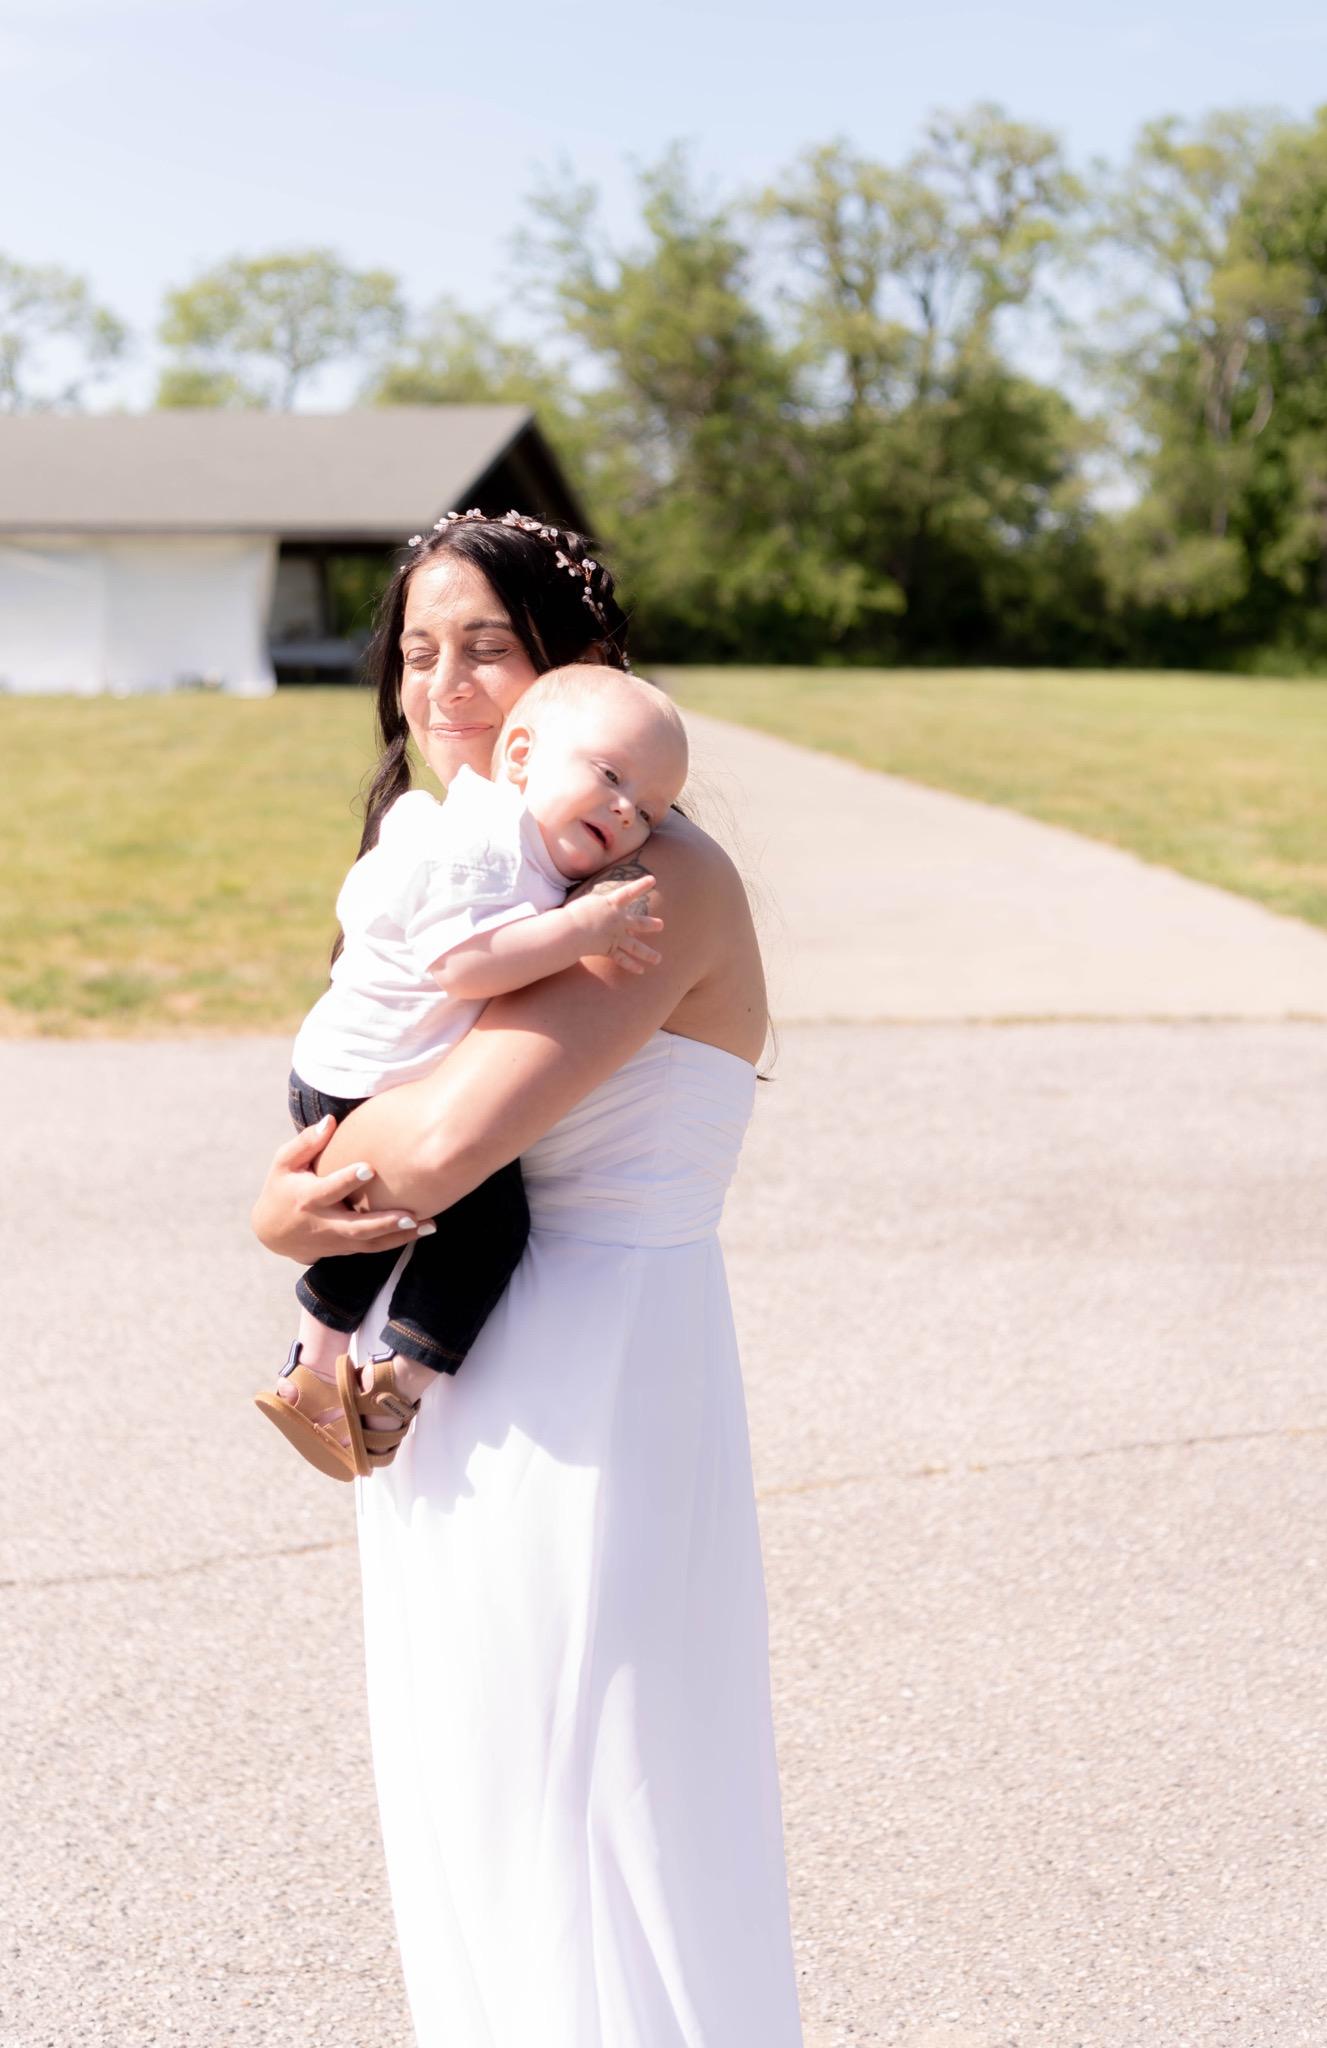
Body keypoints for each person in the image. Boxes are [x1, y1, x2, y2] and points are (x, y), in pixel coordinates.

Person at [251, 509, 804, 2046]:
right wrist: (297, 1203)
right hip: (465, 1380)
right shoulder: (477, 882)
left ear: (579, 674)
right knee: (483, 1811)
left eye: (485, 648)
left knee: (591, 1805)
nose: (441, 688)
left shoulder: (659, 887)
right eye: (417, 654)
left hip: (591, 1388)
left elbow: (424, 1161)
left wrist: (281, 1210)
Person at [254, 662, 686, 1484]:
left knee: (398, 1221)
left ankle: (316, 1363)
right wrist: (581, 930)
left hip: (365, 1071)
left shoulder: (525, 845)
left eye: (650, 809)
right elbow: (463, 964)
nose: (628, 809)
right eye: (608, 777)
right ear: (520, 756)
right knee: (475, 1227)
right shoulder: (485, 841)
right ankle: (393, 1382)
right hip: (362, 1075)